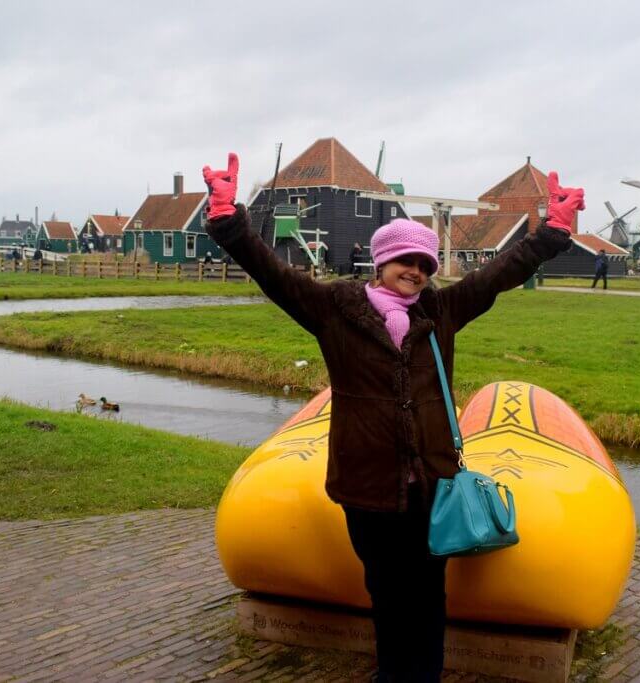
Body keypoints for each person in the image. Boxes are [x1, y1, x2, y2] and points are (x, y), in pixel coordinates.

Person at [202, 153, 583, 682]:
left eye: (426, 265)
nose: (418, 272)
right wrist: (227, 220)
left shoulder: (439, 313)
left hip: (432, 486)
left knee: (428, 596)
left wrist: (553, 233)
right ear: (380, 262)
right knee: (384, 590)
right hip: (367, 487)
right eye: (408, 261)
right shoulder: (335, 309)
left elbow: (497, 276)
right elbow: (273, 274)